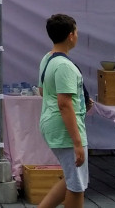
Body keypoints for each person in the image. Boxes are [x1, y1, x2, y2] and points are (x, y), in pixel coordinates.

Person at [36, 14, 90, 208]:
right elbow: (64, 103)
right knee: (77, 186)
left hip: (51, 123)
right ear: (70, 35)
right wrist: (77, 142)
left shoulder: (48, 59)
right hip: (65, 129)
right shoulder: (65, 65)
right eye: (76, 31)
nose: (77, 35)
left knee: (71, 178)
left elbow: (44, 91)